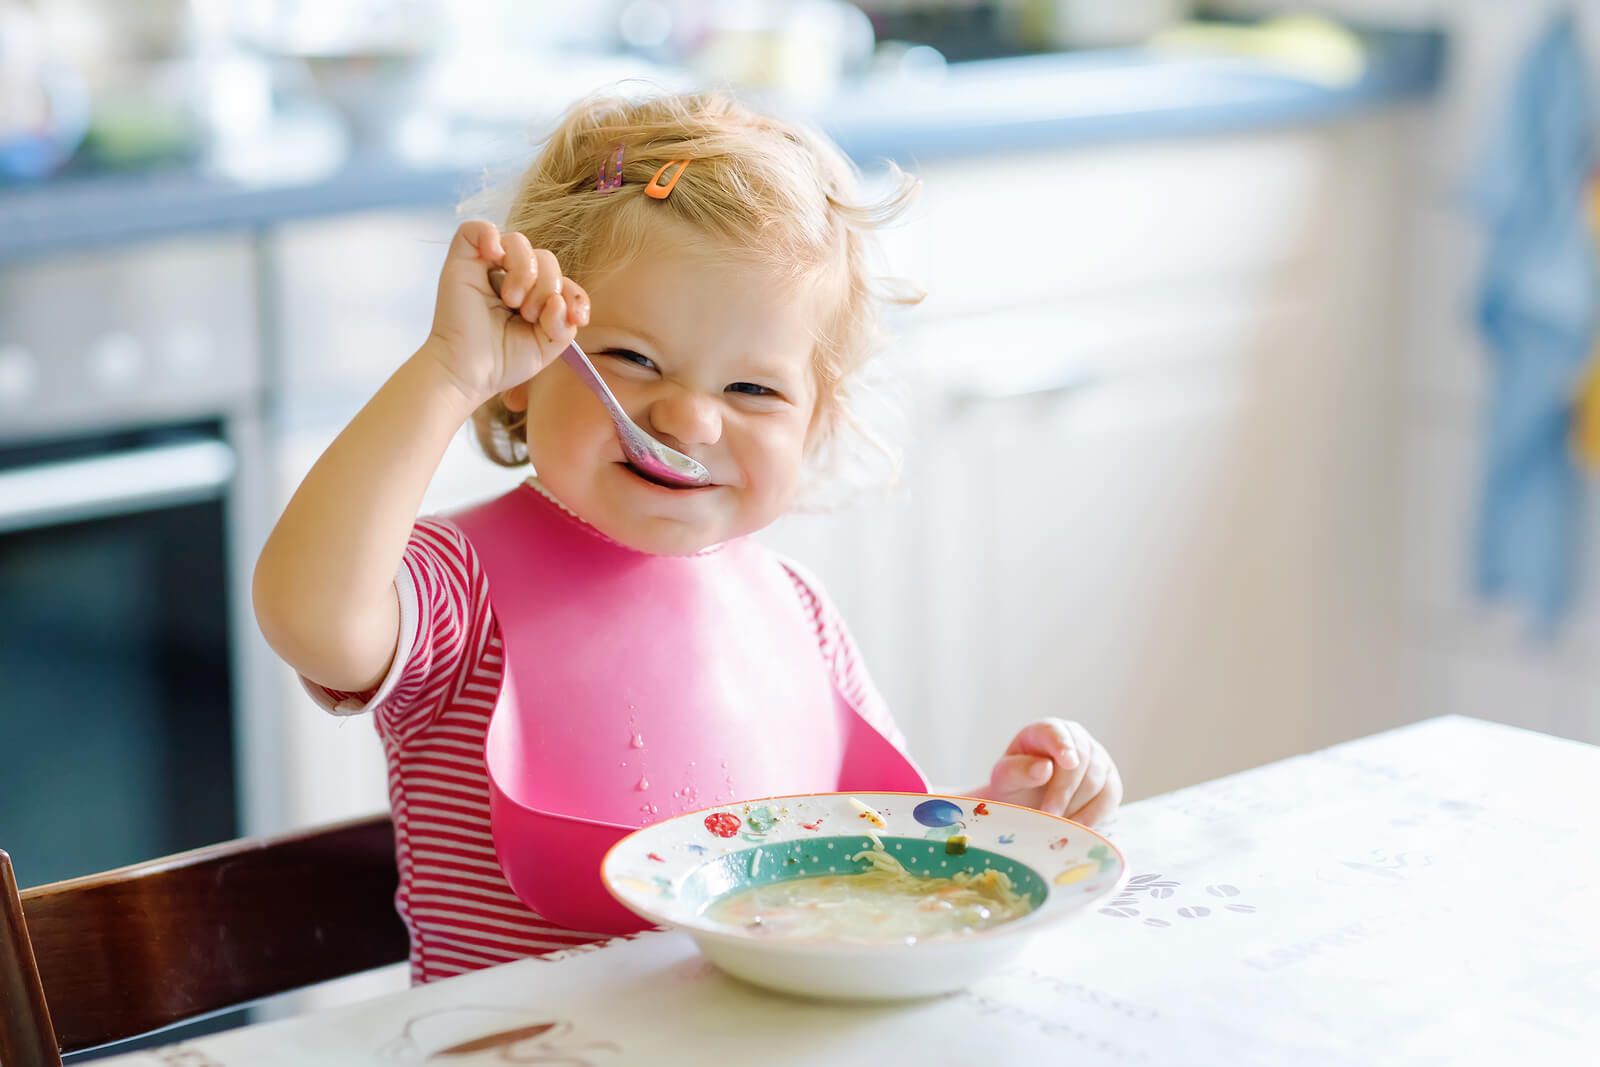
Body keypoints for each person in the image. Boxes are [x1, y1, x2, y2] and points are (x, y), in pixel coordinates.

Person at [253, 90, 1122, 985]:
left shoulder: (796, 610)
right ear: (524, 364)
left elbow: (861, 859)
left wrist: (1002, 813)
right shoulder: (456, 587)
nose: (691, 419)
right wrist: (448, 371)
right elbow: (308, 615)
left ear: (815, 425)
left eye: (754, 391)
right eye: (632, 359)